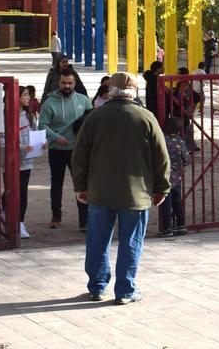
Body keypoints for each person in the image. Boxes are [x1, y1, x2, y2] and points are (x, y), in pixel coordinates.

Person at [72, 72, 170, 305]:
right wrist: (162, 189)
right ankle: (125, 291)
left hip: (99, 191)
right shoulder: (146, 117)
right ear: (134, 92)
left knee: (97, 241)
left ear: (110, 91)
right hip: (136, 194)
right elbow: (161, 157)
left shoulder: (95, 117)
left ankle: (97, 287)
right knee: (131, 242)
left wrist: (80, 186)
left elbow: (80, 156)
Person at [39, 69, 92, 230]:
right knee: (56, 184)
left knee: (81, 184)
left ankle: (84, 221)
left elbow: (92, 121)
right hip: (57, 150)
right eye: (64, 83)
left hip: (78, 150)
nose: (67, 86)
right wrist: (56, 137)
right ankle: (56, 216)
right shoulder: (49, 103)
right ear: (59, 83)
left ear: (75, 83)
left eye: (70, 83)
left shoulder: (83, 100)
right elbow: (42, 125)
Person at [1, 86, 42, 239]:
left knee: (22, 191)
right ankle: (7, 215)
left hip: (26, 161)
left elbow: (35, 133)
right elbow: (1, 141)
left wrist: (42, 143)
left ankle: (20, 222)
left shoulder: (30, 115)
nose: (28, 98)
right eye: (25, 95)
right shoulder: (4, 116)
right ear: (16, 97)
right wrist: (21, 147)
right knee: (11, 190)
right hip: (9, 160)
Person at [157, 117, 189, 238]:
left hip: (164, 176)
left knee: (166, 203)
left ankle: (167, 228)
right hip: (177, 177)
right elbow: (187, 160)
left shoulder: (162, 140)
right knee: (177, 202)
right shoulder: (180, 142)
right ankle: (181, 225)